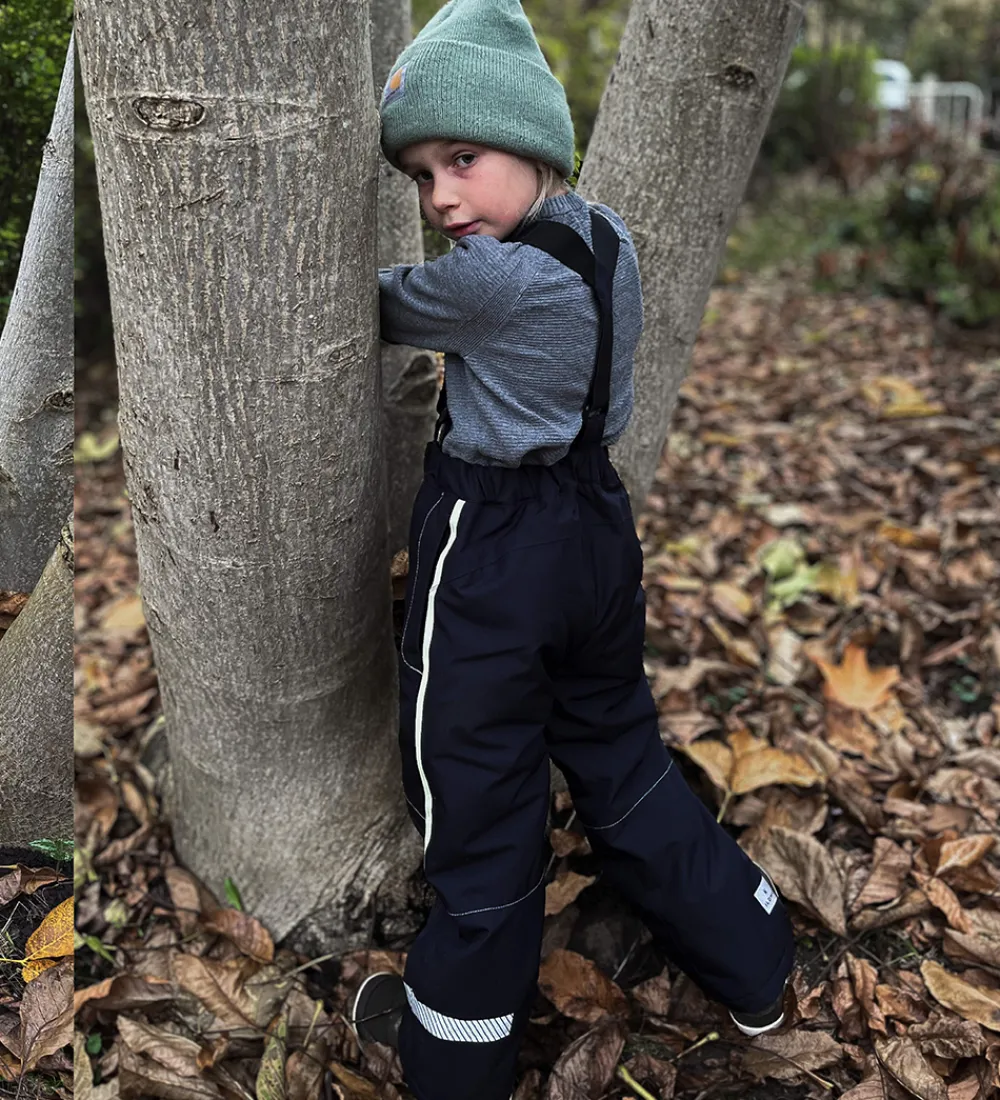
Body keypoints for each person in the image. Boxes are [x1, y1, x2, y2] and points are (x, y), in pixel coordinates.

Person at [352, 2, 795, 1097]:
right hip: (595, 525)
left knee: (476, 789)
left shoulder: (488, 278)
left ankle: (452, 1057)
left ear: (535, 144)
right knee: (616, 750)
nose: (441, 196)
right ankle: (754, 956)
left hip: (495, 543)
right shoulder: (606, 238)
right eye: (419, 175)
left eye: (462, 158)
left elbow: (364, 308)